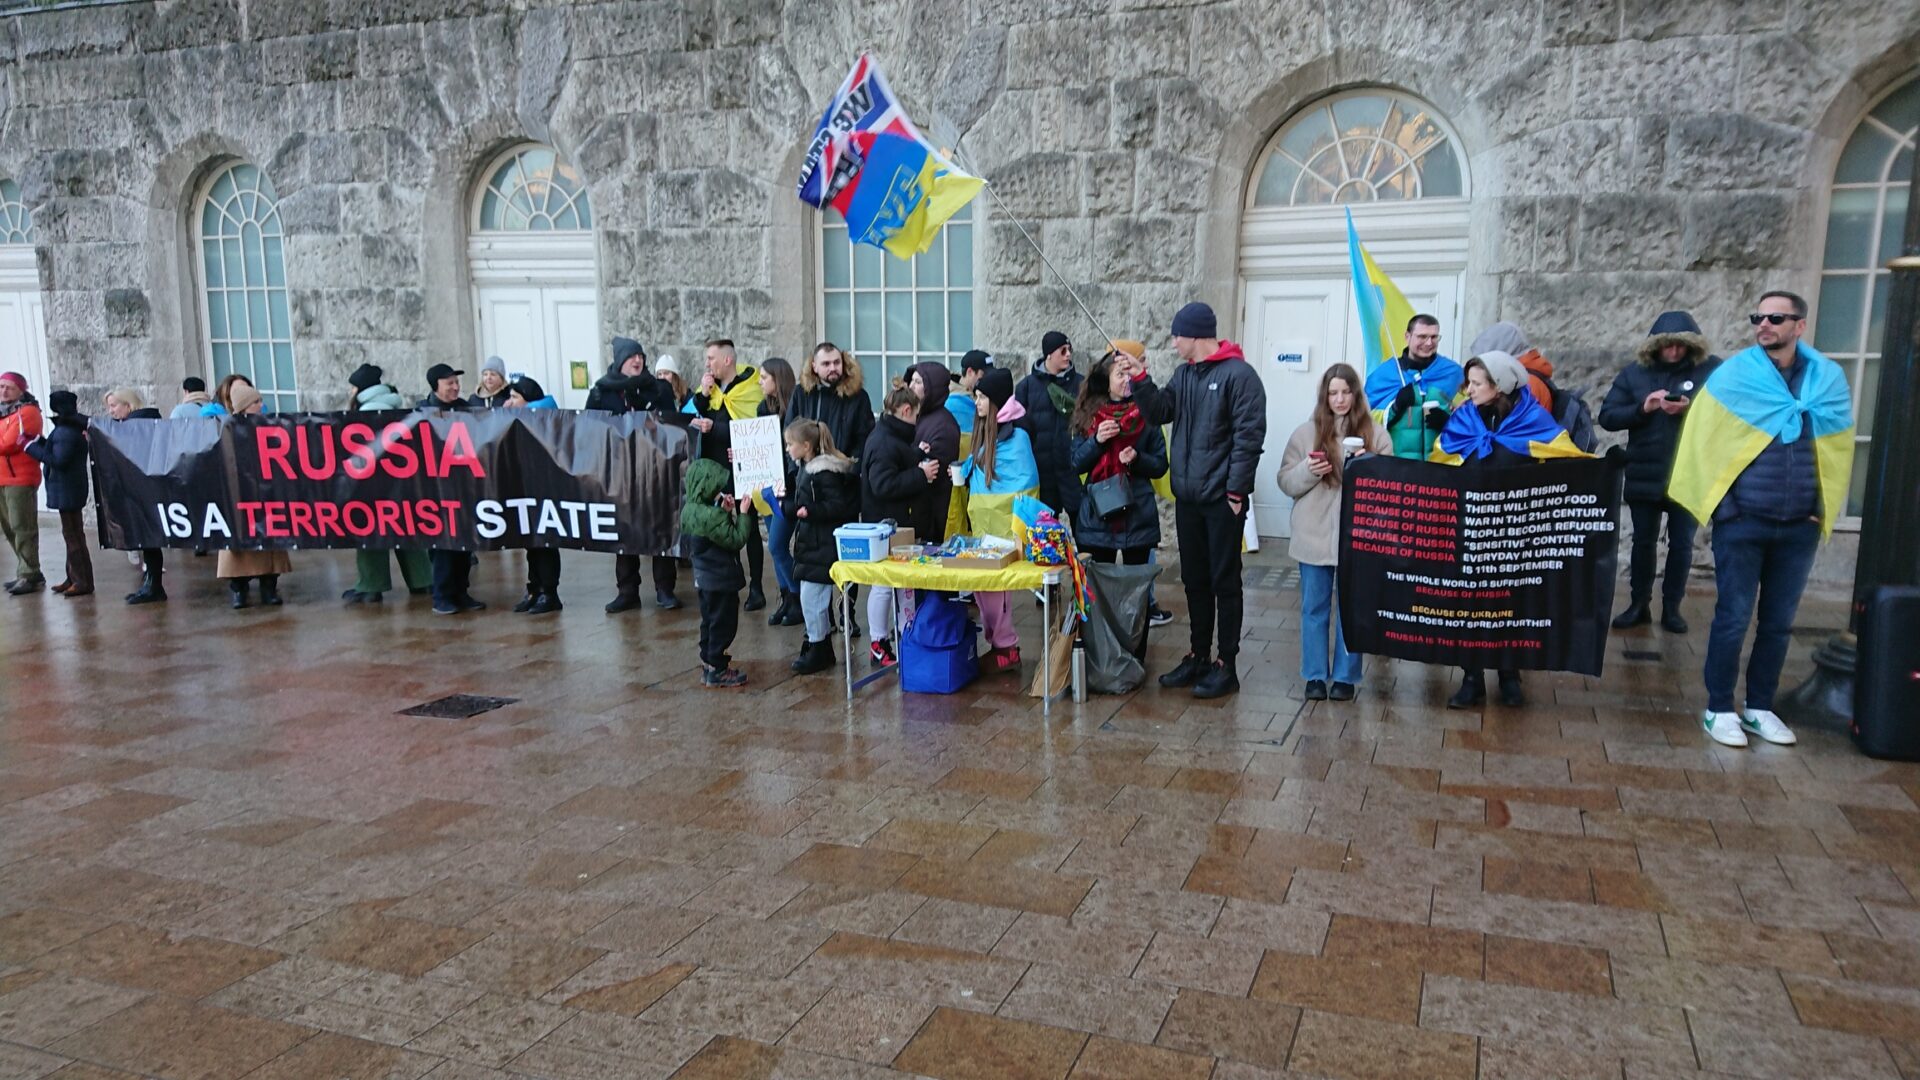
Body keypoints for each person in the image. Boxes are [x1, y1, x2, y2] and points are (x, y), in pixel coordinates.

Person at [1669, 291, 1854, 750]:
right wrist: (1727, 510)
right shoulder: (1735, 376)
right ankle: (1718, 708)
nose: (1764, 325)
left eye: (1776, 317)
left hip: (1799, 525)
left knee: (1778, 622)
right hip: (1745, 520)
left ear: (1799, 325)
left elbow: (1837, 446)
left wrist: (1819, 510)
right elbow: (1704, 443)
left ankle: (1759, 707)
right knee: (1732, 617)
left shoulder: (1827, 380)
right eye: (1759, 317)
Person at [1121, 302, 1266, 699]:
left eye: (1177, 335)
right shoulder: (1185, 375)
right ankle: (1198, 655)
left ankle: (1227, 664)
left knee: (1225, 581)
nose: (1173, 342)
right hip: (1188, 498)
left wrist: (1237, 492)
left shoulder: (1240, 376)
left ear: (1197, 335)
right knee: (1194, 580)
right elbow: (1160, 412)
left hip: (1222, 500)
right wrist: (1141, 380)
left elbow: (1249, 438)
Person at [1432, 350, 1586, 708]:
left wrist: (1605, 468)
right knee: (1469, 606)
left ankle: (1509, 675)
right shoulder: (1463, 420)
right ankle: (1471, 678)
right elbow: (1438, 463)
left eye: (1476, 383)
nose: (1468, 390)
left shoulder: (1533, 419)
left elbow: (1568, 459)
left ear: (1499, 386)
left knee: (1512, 603)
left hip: (1516, 532)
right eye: (1468, 382)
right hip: (1470, 529)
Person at [1600, 311, 1719, 634]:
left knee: (1682, 544)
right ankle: (1639, 603)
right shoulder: (1635, 374)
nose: (1674, 352)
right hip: (1645, 470)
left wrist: (1691, 408)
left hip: (1689, 472)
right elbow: (1608, 416)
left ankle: (1672, 607)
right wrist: (1644, 408)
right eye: (1668, 346)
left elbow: (1729, 413)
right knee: (1643, 543)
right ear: (1656, 346)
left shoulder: (1711, 370)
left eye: (1681, 346)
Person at [1279, 364, 1391, 702]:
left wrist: (1369, 465)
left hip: (1358, 536)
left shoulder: (1377, 433)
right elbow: (1285, 482)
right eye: (1333, 393)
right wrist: (1309, 471)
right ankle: (1314, 675)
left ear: (1356, 394)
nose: (1340, 399)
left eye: (1346, 392)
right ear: (1324, 396)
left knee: (1351, 610)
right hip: (1313, 535)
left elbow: (1391, 486)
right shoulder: (1305, 433)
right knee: (1314, 607)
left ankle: (1345, 676)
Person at [590, 337, 686, 613]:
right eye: (632, 357)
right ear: (620, 361)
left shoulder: (658, 389)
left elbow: (671, 423)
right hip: (620, 472)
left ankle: (664, 589)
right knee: (625, 532)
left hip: (655, 470)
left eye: (641, 356)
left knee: (661, 529)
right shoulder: (601, 392)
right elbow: (589, 428)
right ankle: (627, 591)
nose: (638, 361)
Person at [953, 368, 1040, 672]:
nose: (976, 402)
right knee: (983, 587)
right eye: (976, 395)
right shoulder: (986, 432)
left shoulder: (1017, 438)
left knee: (995, 588)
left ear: (997, 400)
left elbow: (1024, 482)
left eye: (981, 397)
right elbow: (978, 466)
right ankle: (999, 643)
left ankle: (1005, 646)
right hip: (983, 526)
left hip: (1002, 530)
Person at [1068, 349, 1168, 565]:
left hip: (1137, 513)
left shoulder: (1147, 411)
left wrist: (1137, 458)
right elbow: (1076, 463)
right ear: (1107, 379)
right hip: (1098, 516)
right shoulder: (1088, 413)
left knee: (1136, 587)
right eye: (1120, 375)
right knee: (1099, 589)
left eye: (1129, 375)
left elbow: (1160, 464)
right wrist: (1096, 441)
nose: (1127, 381)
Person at [341, 364, 430, 604]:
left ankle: (371, 584)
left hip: (371, 481)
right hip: (403, 480)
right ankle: (422, 580)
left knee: (369, 532)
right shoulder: (395, 405)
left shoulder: (365, 412)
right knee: (407, 529)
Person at [690, 339, 768, 611]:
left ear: (727, 360)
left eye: (711, 358)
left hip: (740, 468)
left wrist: (716, 429)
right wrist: (702, 395)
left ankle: (756, 587)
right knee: (721, 527)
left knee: (748, 525)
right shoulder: (707, 389)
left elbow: (753, 430)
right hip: (713, 471)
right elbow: (692, 415)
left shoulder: (749, 388)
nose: (707, 363)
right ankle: (729, 582)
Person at [861, 386, 934, 667]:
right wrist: (920, 474)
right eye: (915, 415)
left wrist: (916, 454)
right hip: (886, 527)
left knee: (900, 585)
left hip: (893, 527)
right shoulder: (883, 441)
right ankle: (879, 642)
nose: (917, 421)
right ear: (906, 411)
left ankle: (903, 638)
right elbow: (883, 484)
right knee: (882, 585)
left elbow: (896, 461)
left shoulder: (888, 436)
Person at [783, 419, 861, 675]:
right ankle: (818, 643)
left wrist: (811, 511)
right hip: (813, 542)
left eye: (790, 444)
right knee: (810, 598)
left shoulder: (823, 472)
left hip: (821, 543)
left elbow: (837, 506)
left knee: (813, 599)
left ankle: (819, 646)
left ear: (806, 446)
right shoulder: (807, 468)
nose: (787, 449)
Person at [215, 383, 291, 608]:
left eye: (259, 401)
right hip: (239, 493)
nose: (261, 405)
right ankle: (239, 590)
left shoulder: (270, 426)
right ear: (244, 406)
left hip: (265, 493)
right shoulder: (226, 428)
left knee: (269, 542)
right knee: (237, 546)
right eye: (255, 402)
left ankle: (269, 588)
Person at [418, 363, 485, 616]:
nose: (456, 387)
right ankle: (442, 595)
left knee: (464, 544)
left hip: (463, 488)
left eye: (457, 383)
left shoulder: (466, 410)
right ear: (436, 386)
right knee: (443, 546)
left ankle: (460, 591)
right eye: (450, 383)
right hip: (437, 491)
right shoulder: (424, 413)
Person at [680, 457, 751, 688]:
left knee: (709, 621)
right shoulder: (712, 517)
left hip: (704, 578)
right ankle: (718, 669)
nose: (720, 492)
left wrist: (722, 510)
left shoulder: (690, 510)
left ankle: (708, 664)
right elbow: (736, 539)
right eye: (717, 489)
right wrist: (742, 514)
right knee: (724, 623)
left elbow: (710, 532)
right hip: (721, 579)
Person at [503, 376, 563, 614]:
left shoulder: (542, 418)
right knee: (531, 544)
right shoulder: (520, 417)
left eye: (515, 397)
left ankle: (549, 591)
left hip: (543, 487)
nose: (510, 402)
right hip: (525, 487)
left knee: (544, 541)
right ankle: (535, 589)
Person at [102, 389, 168, 604]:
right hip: (144, 487)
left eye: (113, 406)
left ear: (128, 406)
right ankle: (152, 583)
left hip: (145, 488)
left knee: (149, 537)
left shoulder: (137, 426)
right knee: (147, 538)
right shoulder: (140, 424)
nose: (110, 411)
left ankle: (153, 585)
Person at [26, 390, 93, 598]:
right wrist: (42, 443)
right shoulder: (71, 428)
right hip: (71, 488)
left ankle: (81, 581)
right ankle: (73, 576)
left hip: (67, 489)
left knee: (72, 535)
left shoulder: (65, 431)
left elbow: (59, 460)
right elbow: (58, 452)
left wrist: (31, 448)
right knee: (74, 534)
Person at [1366, 314, 1462, 460]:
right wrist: (1395, 408)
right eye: (1422, 337)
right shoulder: (1383, 375)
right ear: (1407, 336)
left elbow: (1472, 418)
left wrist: (1449, 422)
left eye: (1434, 337)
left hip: (1441, 467)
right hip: (1397, 467)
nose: (1429, 343)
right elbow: (1365, 422)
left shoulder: (1453, 373)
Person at [1015, 330, 1085, 520]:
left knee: (1085, 534)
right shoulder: (1026, 387)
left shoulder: (1081, 384)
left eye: (1069, 350)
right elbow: (1019, 431)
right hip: (1042, 473)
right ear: (1049, 354)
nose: (1068, 355)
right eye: (1063, 351)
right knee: (1044, 539)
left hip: (1073, 472)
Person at [759, 357, 804, 628]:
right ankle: (787, 597)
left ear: (778, 379)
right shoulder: (763, 407)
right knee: (775, 549)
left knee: (776, 544)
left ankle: (796, 596)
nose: (761, 382)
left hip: (786, 486)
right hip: (767, 484)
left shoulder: (792, 409)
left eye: (765, 377)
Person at [907, 361, 961, 546]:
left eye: (918, 382)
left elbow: (933, 475)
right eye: (911, 381)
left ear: (932, 388)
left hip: (932, 516)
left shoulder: (944, 425)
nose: (911, 386)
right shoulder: (916, 416)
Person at [0, 371, 44, 596]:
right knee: (9, 527)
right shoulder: (4, 414)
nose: (4, 391)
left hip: (20, 477)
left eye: (9, 387)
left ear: (21, 390)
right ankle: (25, 569)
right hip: (3, 477)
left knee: (22, 526)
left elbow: (9, 443)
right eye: (1, 386)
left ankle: (29, 572)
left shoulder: (28, 412)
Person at [946, 350, 994, 451]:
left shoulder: (983, 394)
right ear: (970, 372)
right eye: (984, 374)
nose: (988, 378)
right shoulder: (951, 403)